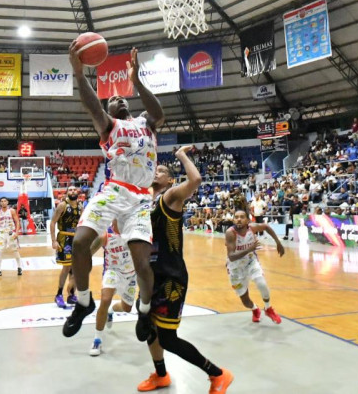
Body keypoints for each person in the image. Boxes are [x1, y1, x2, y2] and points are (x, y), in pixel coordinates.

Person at [63, 45, 164, 341]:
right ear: (107, 112)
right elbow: (92, 106)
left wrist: (137, 80)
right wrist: (79, 74)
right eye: (111, 100)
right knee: (79, 243)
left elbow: (159, 112)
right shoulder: (110, 126)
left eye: (121, 97)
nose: (117, 98)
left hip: (141, 198)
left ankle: (144, 311)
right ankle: (84, 302)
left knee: (142, 263)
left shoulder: (145, 122)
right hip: (114, 190)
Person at [138, 146, 233, 393]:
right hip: (151, 276)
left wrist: (181, 155)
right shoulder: (144, 203)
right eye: (154, 169)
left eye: (161, 171)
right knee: (149, 329)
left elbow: (196, 180)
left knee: (168, 339)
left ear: (170, 180)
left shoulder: (170, 197)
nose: (156, 172)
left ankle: (218, 374)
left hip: (171, 277)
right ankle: (161, 375)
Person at [225, 209, 284, 323]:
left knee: (262, 283)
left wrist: (278, 242)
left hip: (250, 262)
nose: (239, 219)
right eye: (236, 217)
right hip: (235, 268)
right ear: (233, 220)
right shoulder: (230, 233)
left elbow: (266, 227)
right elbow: (231, 256)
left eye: (242, 217)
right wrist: (249, 249)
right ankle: (254, 309)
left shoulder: (252, 228)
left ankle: (268, 308)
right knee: (245, 301)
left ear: (248, 220)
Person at [91, 220, 136, 357]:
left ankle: (111, 310)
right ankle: (97, 339)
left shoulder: (134, 232)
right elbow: (88, 253)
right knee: (105, 299)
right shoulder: (105, 235)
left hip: (130, 275)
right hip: (112, 271)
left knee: (127, 308)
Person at [50, 186, 81, 307]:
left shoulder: (80, 206)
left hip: (77, 238)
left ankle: (71, 295)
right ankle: (58, 294)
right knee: (66, 267)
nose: (73, 191)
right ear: (67, 193)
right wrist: (54, 241)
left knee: (75, 269)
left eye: (74, 190)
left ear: (77, 192)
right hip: (64, 238)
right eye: (70, 190)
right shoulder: (62, 205)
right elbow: (53, 222)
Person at [0, 197, 22, 277]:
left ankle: (19, 267)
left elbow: (17, 221)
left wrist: (17, 232)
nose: (3, 202)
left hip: (10, 233)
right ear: (0, 203)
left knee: (14, 250)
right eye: (1, 201)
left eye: (5, 201)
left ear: (7, 202)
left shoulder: (12, 211)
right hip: (1, 234)